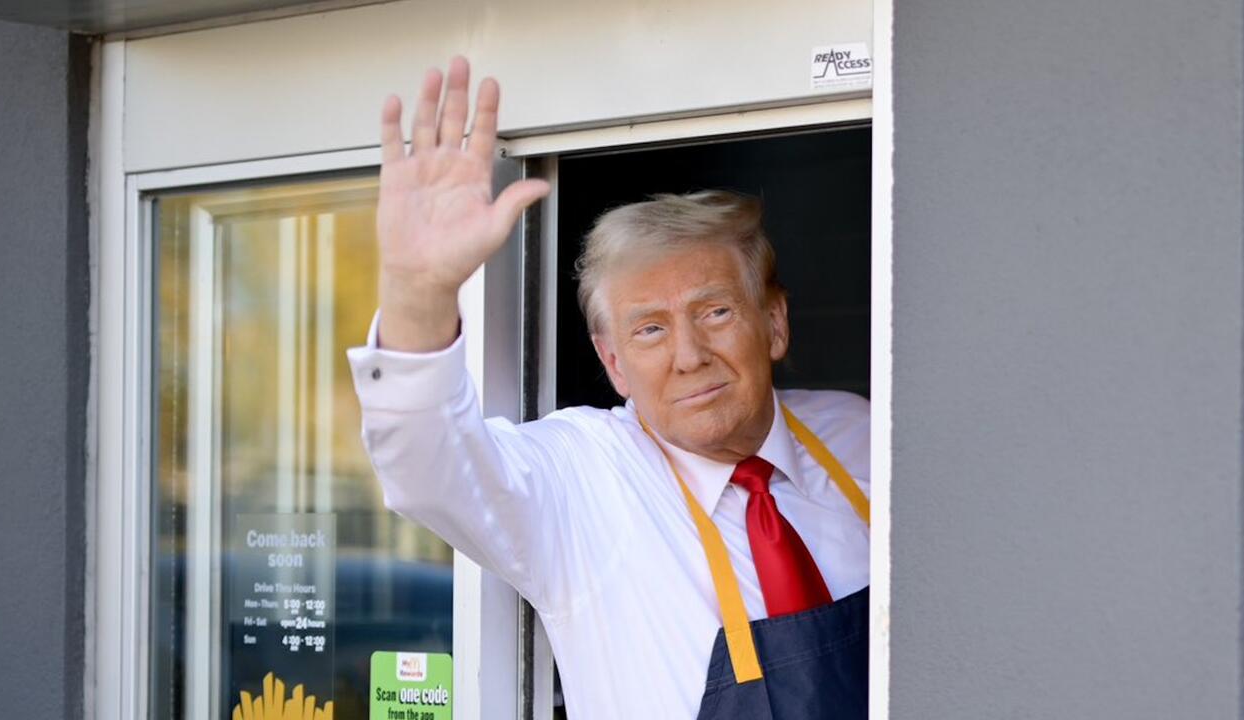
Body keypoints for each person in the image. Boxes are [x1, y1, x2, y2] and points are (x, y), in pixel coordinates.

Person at [347, 55, 871, 720]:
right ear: (614, 364)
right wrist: (419, 292)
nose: (689, 356)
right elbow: (430, 466)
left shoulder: (857, 435)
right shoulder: (584, 478)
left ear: (773, 322)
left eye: (714, 313)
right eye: (649, 330)